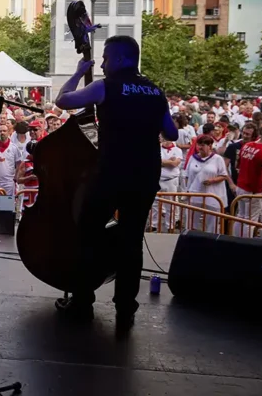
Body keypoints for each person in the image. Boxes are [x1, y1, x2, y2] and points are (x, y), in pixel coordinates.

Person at [54, 32, 178, 328]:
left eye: (107, 58)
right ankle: (126, 308)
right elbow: (171, 133)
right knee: (132, 241)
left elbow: (63, 100)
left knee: (87, 233)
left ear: (121, 58)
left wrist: (78, 73)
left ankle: (83, 303)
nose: (104, 64)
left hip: (111, 174)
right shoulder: (155, 92)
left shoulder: (106, 87)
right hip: (145, 176)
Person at [234, 125, 262, 238]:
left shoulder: (247, 145)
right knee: (250, 220)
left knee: (240, 217)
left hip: (240, 185)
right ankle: (246, 245)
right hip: (253, 189)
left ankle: (235, 241)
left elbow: (238, 164)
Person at [183, 135, 229, 234]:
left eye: (203, 145)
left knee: (212, 222)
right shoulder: (193, 158)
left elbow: (224, 175)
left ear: (210, 146)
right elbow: (187, 175)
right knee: (191, 221)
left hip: (212, 195)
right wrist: (187, 189)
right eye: (198, 145)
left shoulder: (218, 159)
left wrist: (212, 180)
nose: (200, 147)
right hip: (195, 193)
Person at [152, 134, 183, 232]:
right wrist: (168, 161)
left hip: (171, 180)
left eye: (166, 138)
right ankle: (154, 225)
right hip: (157, 179)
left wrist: (163, 162)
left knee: (171, 205)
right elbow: (154, 161)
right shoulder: (156, 148)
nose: (164, 140)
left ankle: (170, 226)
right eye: (163, 138)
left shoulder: (177, 150)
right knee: (155, 204)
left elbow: (175, 163)